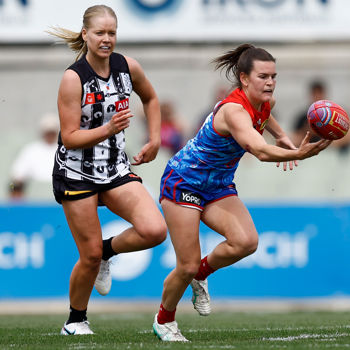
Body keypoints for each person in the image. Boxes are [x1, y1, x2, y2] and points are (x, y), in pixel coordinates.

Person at [152, 44, 331, 342]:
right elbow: (259, 151)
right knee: (186, 264)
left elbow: (266, 117)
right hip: (184, 181)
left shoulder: (264, 101)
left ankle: (201, 274)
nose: (271, 82)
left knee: (246, 241)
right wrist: (300, 153)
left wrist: (284, 138)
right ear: (244, 79)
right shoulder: (233, 111)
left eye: (274, 76)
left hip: (218, 183)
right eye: (263, 76)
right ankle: (164, 319)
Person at [49, 5, 167, 335]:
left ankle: (106, 251)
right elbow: (70, 137)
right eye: (99, 33)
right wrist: (108, 128)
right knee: (85, 258)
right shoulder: (73, 78)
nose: (106, 39)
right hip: (77, 173)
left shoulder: (127, 67)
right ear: (85, 34)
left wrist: (155, 138)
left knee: (155, 230)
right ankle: (75, 320)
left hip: (115, 169)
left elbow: (151, 98)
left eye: (111, 33)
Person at [9, 113, 59, 200]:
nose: (50, 135)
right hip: (34, 199)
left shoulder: (63, 150)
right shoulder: (30, 150)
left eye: (52, 132)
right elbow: (15, 179)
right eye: (48, 132)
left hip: (60, 197)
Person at [291, 80, 326, 146]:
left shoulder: (333, 116)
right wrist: (308, 131)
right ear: (311, 95)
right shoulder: (303, 116)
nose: (317, 97)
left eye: (320, 93)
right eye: (315, 94)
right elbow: (295, 138)